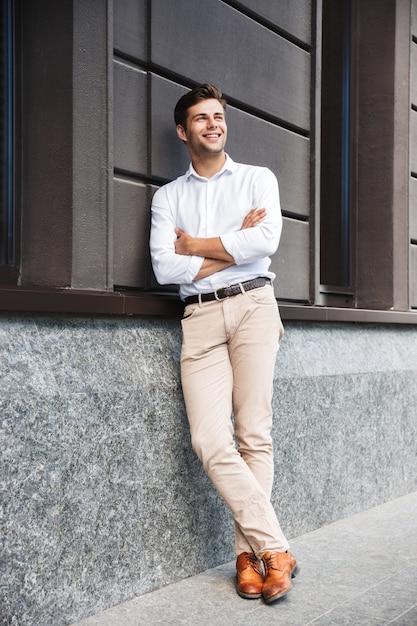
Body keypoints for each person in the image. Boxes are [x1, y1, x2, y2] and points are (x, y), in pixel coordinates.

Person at [150, 83, 297, 604]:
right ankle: (276, 546)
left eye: (218, 115)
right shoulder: (168, 197)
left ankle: (252, 560)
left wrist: (197, 246)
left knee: (254, 433)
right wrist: (230, 245)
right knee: (210, 441)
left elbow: (266, 244)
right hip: (200, 319)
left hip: (255, 306)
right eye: (201, 118)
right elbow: (166, 267)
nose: (213, 124)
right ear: (182, 131)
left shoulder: (258, 179)